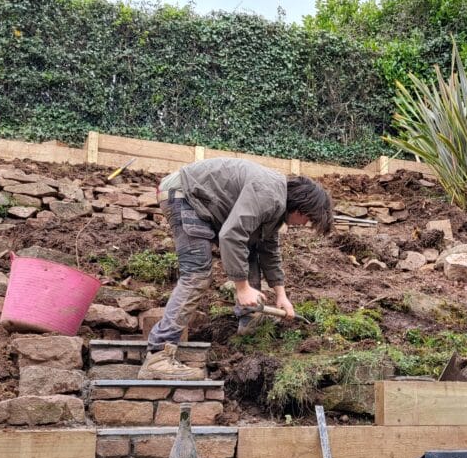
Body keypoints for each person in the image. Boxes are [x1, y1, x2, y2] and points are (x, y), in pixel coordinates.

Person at [142, 157, 334, 372]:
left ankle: (248, 332)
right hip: (186, 195)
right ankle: (158, 356)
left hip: (207, 204)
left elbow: (268, 251)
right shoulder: (269, 195)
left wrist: (281, 295)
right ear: (301, 211)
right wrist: (242, 288)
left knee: (250, 251)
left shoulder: (276, 209)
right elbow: (231, 236)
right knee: (197, 274)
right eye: (308, 221)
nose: (304, 225)